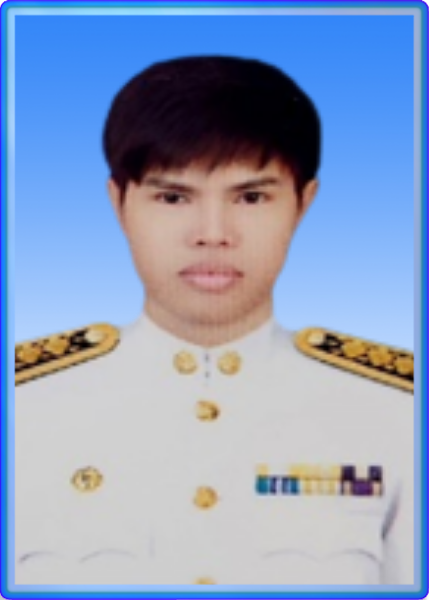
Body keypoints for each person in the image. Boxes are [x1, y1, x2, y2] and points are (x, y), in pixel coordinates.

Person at [14, 55, 414, 586]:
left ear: (303, 204)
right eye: (172, 197)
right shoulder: (20, 408)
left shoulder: (399, 412)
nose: (212, 233)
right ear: (119, 203)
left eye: (250, 197)